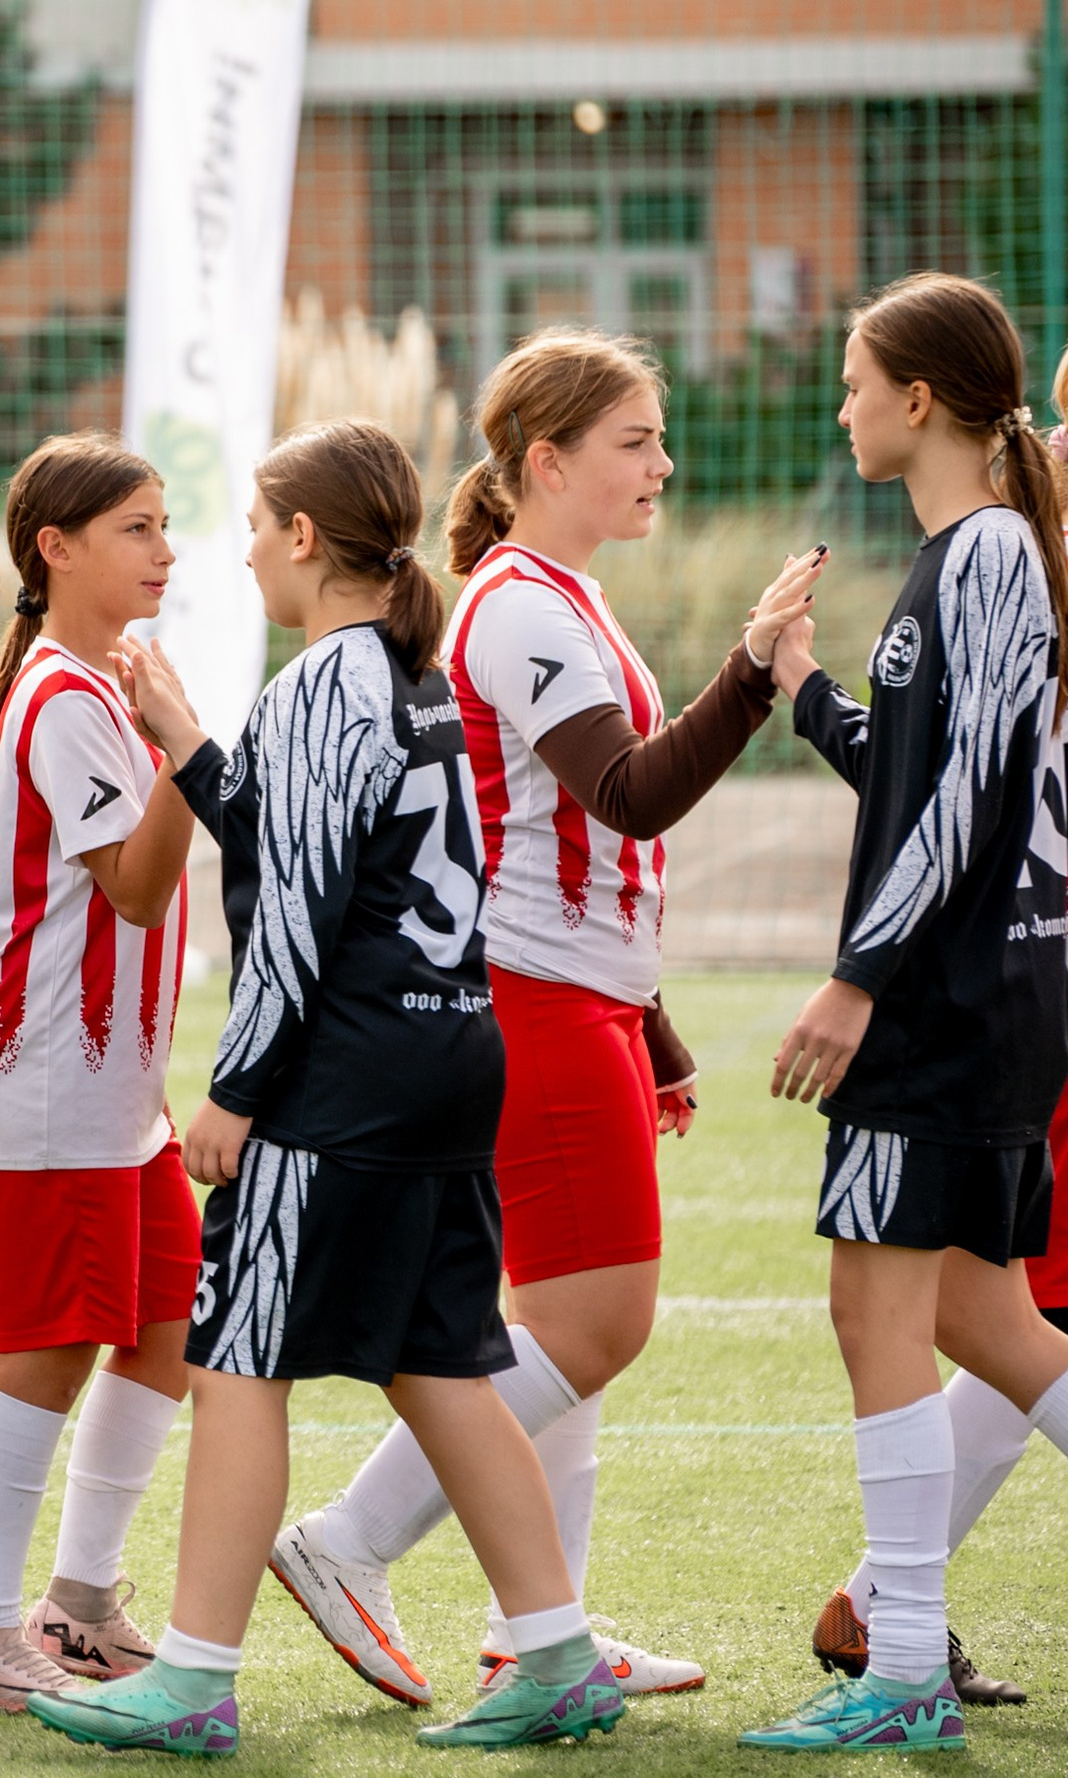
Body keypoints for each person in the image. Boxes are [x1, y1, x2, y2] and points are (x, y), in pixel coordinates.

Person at [34, 420, 629, 1755]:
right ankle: (557, 1649)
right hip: (450, 1049)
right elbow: (322, 840)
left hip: (343, 1071)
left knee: (240, 1359)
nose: (238, 551)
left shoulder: (322, 683)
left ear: (305, 536)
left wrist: (237, 1088)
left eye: (252, 524)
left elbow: (298, 905)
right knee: (441, 1360)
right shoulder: (410, 675)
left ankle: (190, 1676)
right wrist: (192, 745)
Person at [268, 329, 826, 1706]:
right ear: (546, 461)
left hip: (574, 1001)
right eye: (635, 441)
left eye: (657, 439)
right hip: (525, 1004)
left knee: (550, 1323)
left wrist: (651, 1022)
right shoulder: (518, 604)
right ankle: (349, 1539)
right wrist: (754, 670)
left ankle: (542, 1622)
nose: (663, 465)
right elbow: (627, 794)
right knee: (594, 1323)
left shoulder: (558, 591)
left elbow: (583, 853)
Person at [743, 273, 1068, 1754]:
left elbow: (961, 807)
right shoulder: (977, 559)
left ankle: (900, 1671)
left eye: (853, 382)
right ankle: (900, 1658)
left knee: (879, 1307)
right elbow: (924, 769)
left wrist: (858, 976)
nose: (840, 407)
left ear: (919, 400)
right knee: (994, 1321)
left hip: (953, 999)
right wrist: (801, 686)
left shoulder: (984, 561)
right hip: (996, 991)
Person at [0, 434, 199, 1715]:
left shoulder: (98, 678)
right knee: (46, 1344)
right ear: (58, 547)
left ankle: (79, 1603)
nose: (166, 550)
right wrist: (189, 756)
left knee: (163, 1324)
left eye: (163, 524)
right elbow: (134, 890)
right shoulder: (68, 698)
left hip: (110, 1093)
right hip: (44, 1081)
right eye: (137, 527)